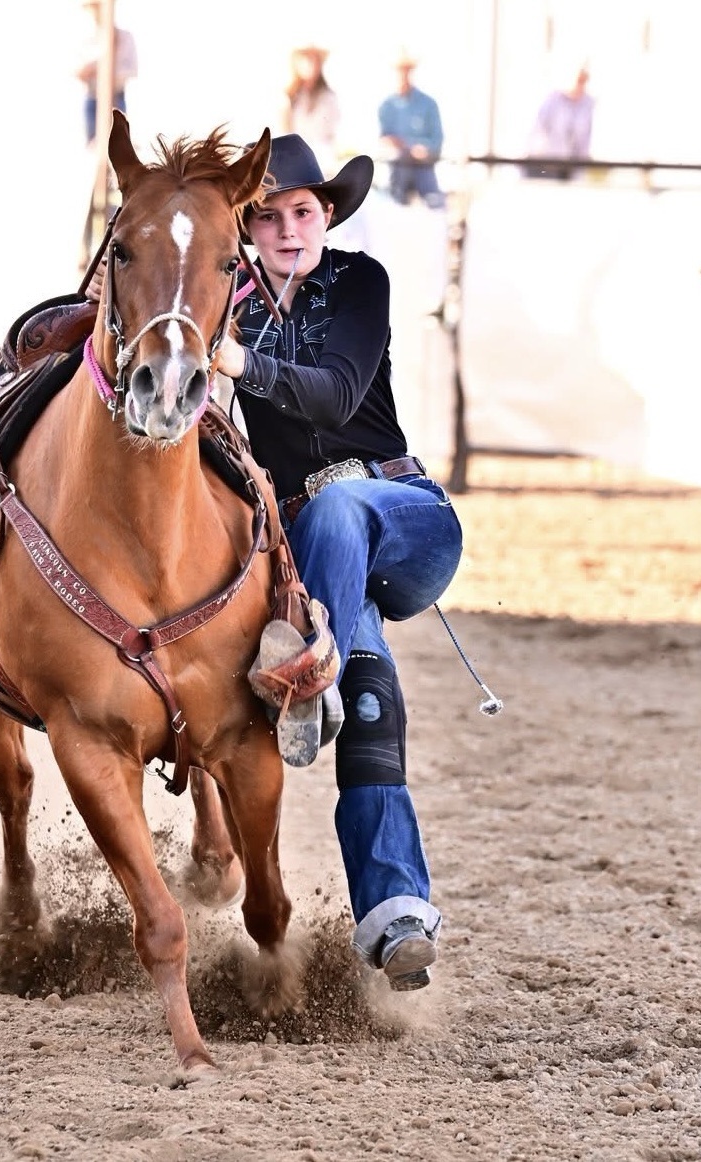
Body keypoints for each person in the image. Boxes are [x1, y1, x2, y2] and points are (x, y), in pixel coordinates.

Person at [216, 133, 463, 990]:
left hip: (406, 519)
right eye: (271, 216)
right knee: (368, 698)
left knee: (339, 505)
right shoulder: (223, 299)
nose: (291, 230)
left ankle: (305, 670)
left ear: (327, 215)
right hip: (316, 552)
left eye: (305, 211)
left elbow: (336, 391)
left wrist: (236, 359)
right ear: (246, 229)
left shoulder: (360, 282)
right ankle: (398, 918)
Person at [376, 51, 445, 209]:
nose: (403, 74)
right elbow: (383, 140)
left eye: (406, 69)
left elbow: (437, 141)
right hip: (397, 168)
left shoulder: (428, 104)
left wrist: (421, 149)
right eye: (399, 70)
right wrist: (401, 146)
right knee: (389, 201)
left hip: (423, 167)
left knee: (435, 204)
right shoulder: (386, 106)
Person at [77, 0, 139, 147]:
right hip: (92, 98)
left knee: (120, 145)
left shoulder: (125, 38)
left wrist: (102, 70)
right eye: (93, 7)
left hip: (116, 97)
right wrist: (91, 70)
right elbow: (76, 70)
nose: (96, 11)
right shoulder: (86, 39)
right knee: (93, 147)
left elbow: (131, 69)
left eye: (98, 6)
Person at [525, 64, 595, 180]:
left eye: (583, 81)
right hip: (543, 165)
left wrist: (580, 171)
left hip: (567, 169)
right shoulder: (552, 99)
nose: (580, 85)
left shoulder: (587, 104)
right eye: (579, 80)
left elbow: (584, 142)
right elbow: (538, 132)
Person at [281, 46, 341, 172]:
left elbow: (331, 133)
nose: (311, 64)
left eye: (315, 60)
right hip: (294, 162)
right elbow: (283, 131)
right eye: (307, 59)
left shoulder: (329, 97)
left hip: (322, 164)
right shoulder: (289, 96)